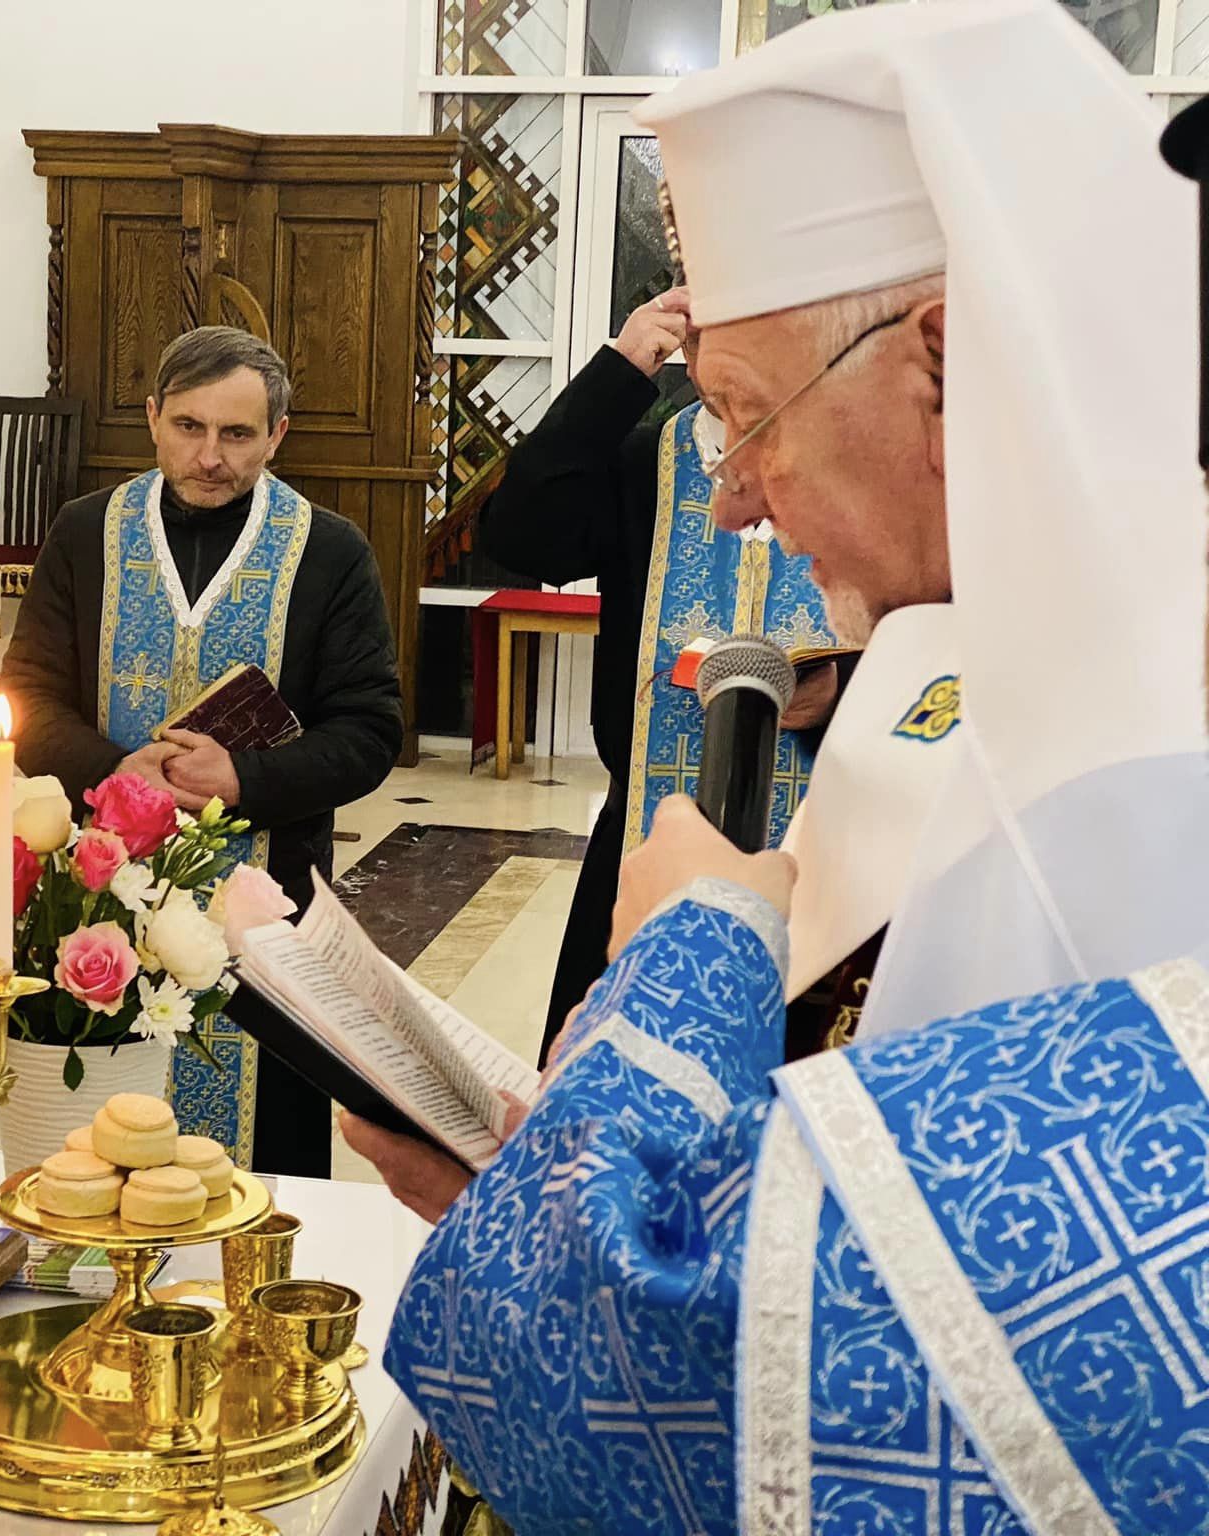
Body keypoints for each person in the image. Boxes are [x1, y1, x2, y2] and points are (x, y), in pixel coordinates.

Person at [351, 3, 1209, 1531]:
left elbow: (893, 1404)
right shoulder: (960, 678)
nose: (731, 500)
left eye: (749, 419)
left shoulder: (1162, 772)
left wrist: (691, 960)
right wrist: (552, 1173)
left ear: (941, 360)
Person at [3, 325, 404, 1175]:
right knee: (98, 1165)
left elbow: (370, 733)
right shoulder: (84, 534)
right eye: (188, 427)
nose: (209, 456)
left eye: (236, 434)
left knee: (263, 1185)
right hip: (97, 909)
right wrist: (114, 773)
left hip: (270, 920)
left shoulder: (330, 553)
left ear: (278, 436)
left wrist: (243, 777)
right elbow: (29, 696)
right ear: (152, 418)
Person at [479, 290, 841, 1059]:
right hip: (642, 834)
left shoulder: (851, 462)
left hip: (820, 847)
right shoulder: (646, 461)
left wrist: (847, 685)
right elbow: (522, 536)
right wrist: (617, 373)